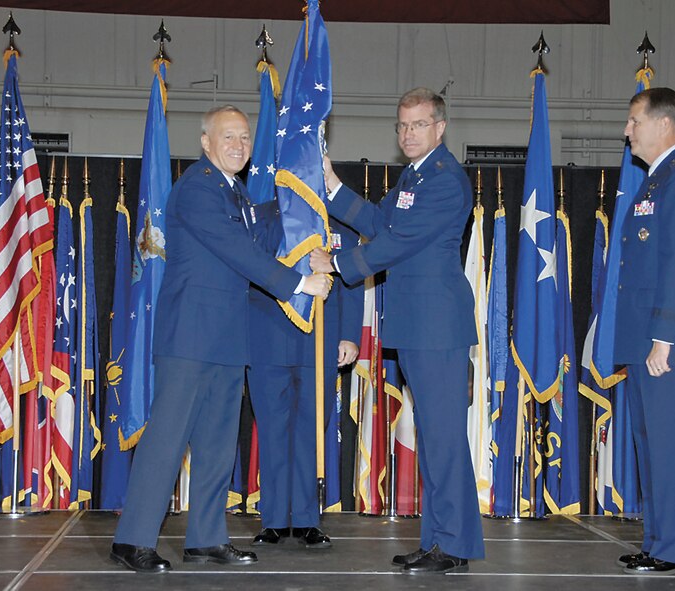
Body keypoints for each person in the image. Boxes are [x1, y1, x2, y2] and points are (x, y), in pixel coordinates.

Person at [110, 105, 331, 574]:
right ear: (206, 142)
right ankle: (132, 539)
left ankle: (206, 538)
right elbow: (238, 251)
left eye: (245, 138)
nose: (239, 146)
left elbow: (267, 231)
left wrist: (304, 194)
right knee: (168, 439)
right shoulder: (196, 189)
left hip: (229, 340)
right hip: (190, 338)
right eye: (228, 137)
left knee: (216, 444)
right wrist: (298, 284)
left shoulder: (238, 194)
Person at [310, 87, 485, 574]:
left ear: (440, 127)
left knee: (444, 440)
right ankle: (437, 541)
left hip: (437, 329)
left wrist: (339, 261)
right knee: (431, 439)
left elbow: (400, 241)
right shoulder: (414, 176)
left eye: (418, 125)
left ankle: (453, 545)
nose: (408, 134)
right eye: (402, 126)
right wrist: (332, 187)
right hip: (415, 326)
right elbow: (379, 220)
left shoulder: (446, 179)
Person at [613, 88, 675, 576]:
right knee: (650, 444)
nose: (627, 131)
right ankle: (658, 541)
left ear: (664, 125)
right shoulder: (656, 182)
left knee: (671, 446)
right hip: (648, 338)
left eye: (634, 121)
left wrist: (664, 338)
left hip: (671, 344)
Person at [247, 206, 362, 549]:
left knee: (312, 431)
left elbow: (352, 279)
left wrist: (350, 334)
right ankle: (274, 520)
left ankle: (308, 518)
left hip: (320, 337)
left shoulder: (337, 222)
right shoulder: (262, 216)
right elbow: (250, 267)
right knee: (272, 431)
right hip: (267, 336)